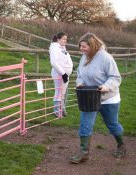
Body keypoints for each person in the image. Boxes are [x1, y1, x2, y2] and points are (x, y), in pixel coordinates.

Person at [70, 33, 126, 164]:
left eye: (84, 46)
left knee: (112, 125)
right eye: (80, 47)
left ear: (92, 45)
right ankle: (84, 153)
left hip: (108, 98)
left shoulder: (106, 58)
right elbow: (79, 74)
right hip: (90, 97)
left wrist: (106, 86)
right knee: (85, 124)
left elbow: (116, 77)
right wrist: (79, 82)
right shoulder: (84, 58)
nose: (81, 49)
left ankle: (121, 145)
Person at [49, 32, 73, 117]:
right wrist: (63, 73)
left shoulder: (62, 48)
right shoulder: (55, 47)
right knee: (59, 92)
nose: (65, 41)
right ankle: (57, 111)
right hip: (59, 73)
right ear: (58, 39)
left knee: (62, 92)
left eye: (66, 39)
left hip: (65, 73)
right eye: (63, 39)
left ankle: (62, 109)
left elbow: (65, 60)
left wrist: (69, 69)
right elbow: (54, 62)